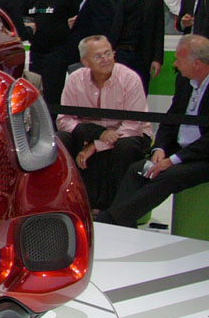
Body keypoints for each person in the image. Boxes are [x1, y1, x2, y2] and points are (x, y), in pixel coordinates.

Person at [96, 36, 209, 228]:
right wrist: (160, 149)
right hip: (176, 152)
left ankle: (109, 222)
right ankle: (123, 226)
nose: (174, 64)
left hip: (208, 158)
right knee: (138, 170)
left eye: (178, 60)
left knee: (168, 176)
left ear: (197, 64)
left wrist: (173, 160)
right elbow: (170, 119)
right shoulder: (184, 80)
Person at [56, 36, 151, 210]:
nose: (106, 59)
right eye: (98, 56)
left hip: (127, 135)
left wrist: (95, 145)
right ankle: (67, 205)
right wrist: (96, 134)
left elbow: (133, 126)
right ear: (85, 62)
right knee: (60, 139)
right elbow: (63, 120)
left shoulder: (130, 79)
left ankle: (119, 209)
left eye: (108, 53)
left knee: (126, 146)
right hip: (90, 133)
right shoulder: (75, 79)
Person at [22, 0, 81, 110]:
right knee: (35, 94)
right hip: (36, 52)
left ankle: (54, 123)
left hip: (58, 53)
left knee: (53, 95)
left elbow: (76, 22)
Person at [106, 0, 164, 90]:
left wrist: (157, 58)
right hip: (118, 53)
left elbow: (159, 28)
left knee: (139, 92)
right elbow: (106, 22)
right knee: (114, 92)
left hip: (142, 56)